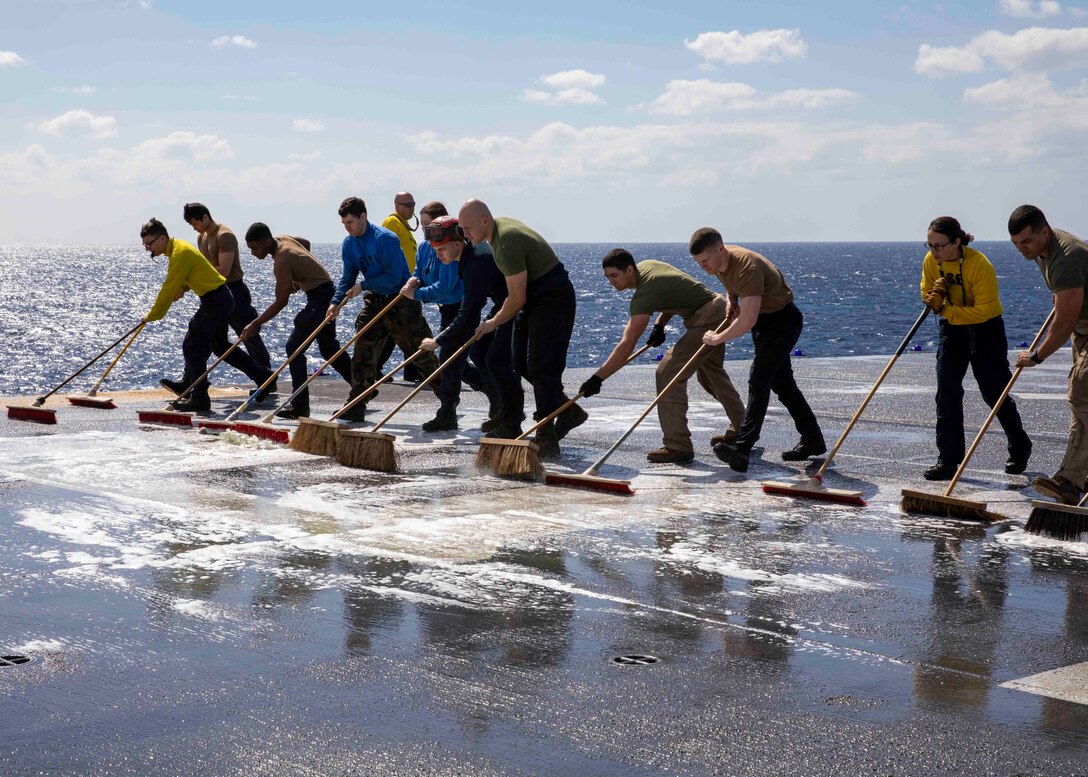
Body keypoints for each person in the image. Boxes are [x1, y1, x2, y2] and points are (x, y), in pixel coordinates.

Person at [578, 249, 745, 463]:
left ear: (629, 269)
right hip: (717, 310)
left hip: (708, 319)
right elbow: (671, 291)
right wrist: (660, 325)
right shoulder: (648, 266)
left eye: (614, 275)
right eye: (607, 277)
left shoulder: (643, 295)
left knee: (668, 372)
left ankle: (678, 446)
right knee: (711, 374)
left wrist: (598, 378)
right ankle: (744, 428)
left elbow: (627, 343)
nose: (611, 282)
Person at [687, 227, 825, 473]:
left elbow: (747, 320)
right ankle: (813, 440)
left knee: (759, 378)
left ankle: (741, 449)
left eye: (705, 261)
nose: (703, 267)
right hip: (765, 321)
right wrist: (732, 300)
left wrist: (718, 338)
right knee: (783, 385)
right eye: (698, 263)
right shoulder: (720, 262)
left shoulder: (747, 267)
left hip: (783, 321)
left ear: (720, 249)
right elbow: (731, 283)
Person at [459, 199, 580, 458]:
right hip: (535, 297)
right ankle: (567, 411)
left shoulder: (505, 242)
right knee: (519, 363)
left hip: (552, 297)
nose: (465, 234)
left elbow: (516, 299)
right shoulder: (495, 235)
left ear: (484, 220)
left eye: (467, 228)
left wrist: (492, 323)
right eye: (461, 229)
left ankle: (546, 433)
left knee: (541, 366)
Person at [919, 216, 1032, 480]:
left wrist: (946, 309)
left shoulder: (980, 265)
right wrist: (932, 296)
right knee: (946, 392)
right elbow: (926, 289)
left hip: (986, 330)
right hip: (951, 331)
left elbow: (984, 311)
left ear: (957, 242)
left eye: (939, 246)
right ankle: (948, 459)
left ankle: (1019, 445)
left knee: (994, 393)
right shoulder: (931, 261)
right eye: (929, 245)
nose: (934, 252)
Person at [140, 218, 274, 412]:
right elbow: (182, 281)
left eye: (149, 243)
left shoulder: (179, 253)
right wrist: (181, 288)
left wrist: (152, 315)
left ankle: (199, 396)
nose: (147, 248)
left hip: (217, 300)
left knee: (192, 346)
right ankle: (264, 377)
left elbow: (168, 288)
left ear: (162, 238)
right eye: (145, 244)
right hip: (217, 298)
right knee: (219, 346)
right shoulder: (177, 249)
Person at [327, 197, 440, 423]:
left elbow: (393, 278)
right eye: (344, 224)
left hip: (401, 299)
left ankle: (448, 401)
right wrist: (336, 302)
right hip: (376, 299)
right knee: (362, 350)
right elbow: (347, 277)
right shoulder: (349, 244)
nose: (348, 228)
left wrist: (363, 286)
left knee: (419, 354)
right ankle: (357, 402)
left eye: (351, 222)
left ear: (363, 217)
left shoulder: (385, 239)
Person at [410, 215, 523, 436]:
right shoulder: (466, 258)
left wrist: (438, 341)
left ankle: (512, 419)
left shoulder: (477, 260)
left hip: (519, 304)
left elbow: (469, 313)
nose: (438, 254)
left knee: (497, 361)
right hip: (504, 303)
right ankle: (503, 409)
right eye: (435, 249)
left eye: (441, 249)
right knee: (480, 352)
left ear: (457, 243)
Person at [1009, 204, 1088, 505]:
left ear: (1045, 231)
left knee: (1082, 398)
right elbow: (1064, 300)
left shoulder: (1066, 257)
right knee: (1082, 402)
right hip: (1084, 330)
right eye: (1015, 244)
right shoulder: (1042, 251)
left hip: (1081, 327)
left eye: (1026, 242)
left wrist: (1037, 356)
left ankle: (1069, 481)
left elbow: (1065, 321)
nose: (1021, 249)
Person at [240, 223, 355, 419]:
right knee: (328, 348)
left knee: (294, 348)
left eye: (255, 247)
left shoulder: (282, 261)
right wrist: (301, 277)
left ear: (267, 242)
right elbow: (305, 243)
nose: (252, 253)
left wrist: (255, 324)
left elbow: (281, 302)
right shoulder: (283, 239)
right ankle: (363, 387)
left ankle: (300, 406)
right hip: (326, 293)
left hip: (320, 300)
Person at [400, 203, 492, 432]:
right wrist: (414, 281)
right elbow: (419, 272)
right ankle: (493, 393)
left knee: (450, 361)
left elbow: (445, 286)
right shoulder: (424, 247)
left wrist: (417, 295)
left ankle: (448, 412)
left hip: (459, 307)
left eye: (429, 225)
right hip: (446, 309)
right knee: (455, 361)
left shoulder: (454, 252)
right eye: (422, 226)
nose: (425, 231)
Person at [183, 202, 272, 374]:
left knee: (248, 335)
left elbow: (223, 270)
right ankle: (190, 378)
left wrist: (191, 275)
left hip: (235, 291)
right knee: (211, 338)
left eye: (196, 223)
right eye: (192, 225)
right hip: (216, 294)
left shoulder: (224, 236)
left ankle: (265, 373)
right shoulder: (201, 238)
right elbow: (206, 269)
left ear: (206, 217)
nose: (195, 228)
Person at [379, 192, 423, 382]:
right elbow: (383, 252)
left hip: (410, 283)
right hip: (399, 285)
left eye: (413, 205)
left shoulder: (403, 226)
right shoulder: (392, 223)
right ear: (397, 205)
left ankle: (411, 369)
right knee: (405, 328)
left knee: (404, 327)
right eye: (408, 205)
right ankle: (378, 367)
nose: (411, 208)